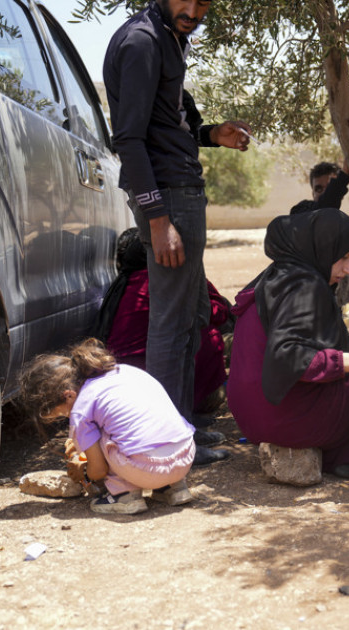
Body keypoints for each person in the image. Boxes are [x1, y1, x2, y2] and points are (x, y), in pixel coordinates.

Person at [103, 0, 252, 466]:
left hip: (179, 188)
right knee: (170, 322)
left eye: (203, 2)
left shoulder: (169, 38)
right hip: (167, 196)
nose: (193, 9)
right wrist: (157, 216)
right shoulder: (143, 42)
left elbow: (169, 124)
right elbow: (128, 137)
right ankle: (165, 439)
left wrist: (212, 135)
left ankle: (182, 424)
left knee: (190, 316)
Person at [226, 208, 349, 475]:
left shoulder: (278, 277)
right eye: (343, 257)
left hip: (251, 415)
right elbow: (288, 356)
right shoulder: (304, 288)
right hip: (282, 417)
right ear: (323, 249)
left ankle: (339, 453)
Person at [19, 339, 197, 515]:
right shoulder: (123, 371)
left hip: (147, 469)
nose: (67, 417)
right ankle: (173, 488)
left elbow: (99, 470)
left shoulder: (81, 409)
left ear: (68, 395)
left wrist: (85, 473)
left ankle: (125, 496)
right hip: (185, 457)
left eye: (61, 413)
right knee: (133, 428)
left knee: (100, 437)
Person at [93, 228, 230, 437]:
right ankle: (188, 414)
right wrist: (200, 282)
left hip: (121, 389)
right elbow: (217, 314)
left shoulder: (126, 283)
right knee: (212, 335)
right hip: (154, 388)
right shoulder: (165, 282)